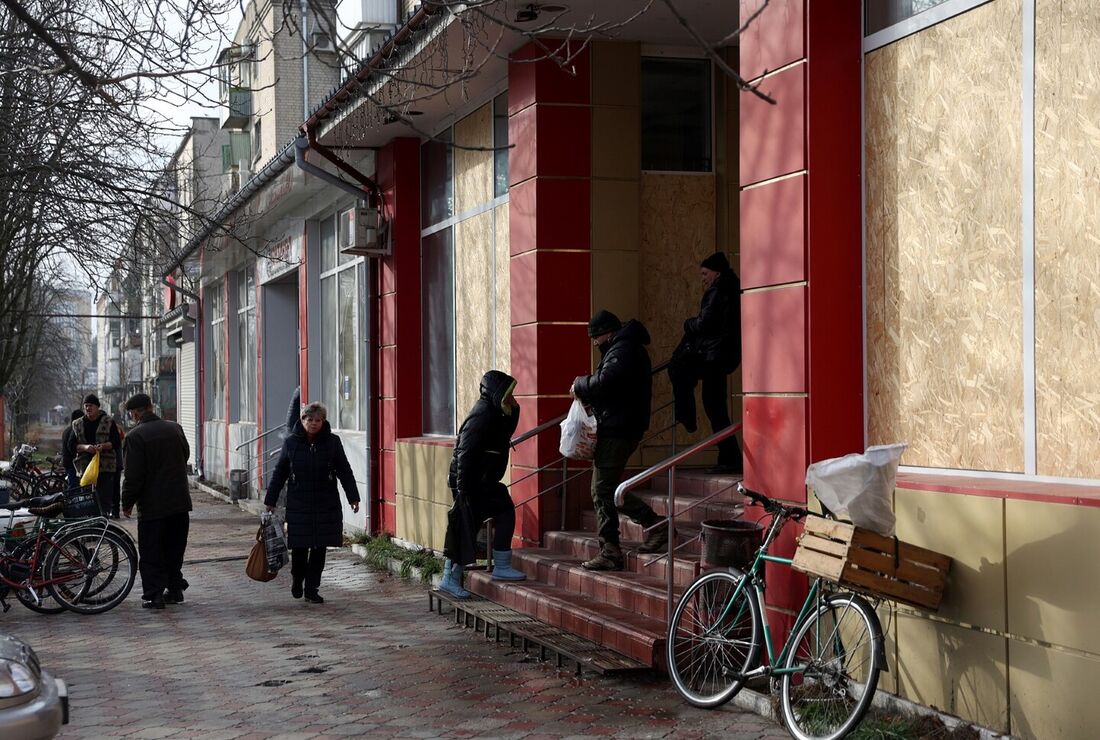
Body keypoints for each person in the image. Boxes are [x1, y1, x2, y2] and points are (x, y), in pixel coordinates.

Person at [570, 310, 668, 571]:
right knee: (605, 488)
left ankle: (621, 544)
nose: (594, 343)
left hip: (620, 428)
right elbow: (613, 387)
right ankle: (645, 531)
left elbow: (607, 381)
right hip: (618, 425)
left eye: (596, 337)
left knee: (603, 489)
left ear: (608, 332)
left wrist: (581, 384)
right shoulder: (622, 348)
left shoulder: (623, 349)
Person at [438, 370, 527, 599]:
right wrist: (463, 490)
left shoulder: (496, 413)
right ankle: (453, 577)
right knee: (470, 522)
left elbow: (506, 431)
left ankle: (496, 566)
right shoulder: (483, 415)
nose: (512, 399)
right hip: (468, 480)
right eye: (509, 394)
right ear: (498, 394)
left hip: (481, 479)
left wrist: (514, 409)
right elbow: (465, 453)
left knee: (491, 514)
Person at [265, 401, 360, 604]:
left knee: (319, 548)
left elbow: (344, 470)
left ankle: (312, 589)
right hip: (299, 503)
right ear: (303, 420)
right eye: (310, 419)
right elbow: (280, 472)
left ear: (323, 421)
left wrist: (353, 497)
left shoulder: (332, 442)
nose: (314, 423)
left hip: (326, 502)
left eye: (318, 420)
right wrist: (270, 500)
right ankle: (297, 579)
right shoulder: (291, 442)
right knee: (300, 547)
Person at [669, 251, 743, 474]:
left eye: (705, 273)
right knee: (714, 405)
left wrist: (688, 323)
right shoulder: (731, 288)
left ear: (716, 272)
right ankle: (728, 455)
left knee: (712, 403)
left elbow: (704, 323)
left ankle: (688, 417)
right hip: (720, 355)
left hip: (713, 356)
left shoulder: (718, 291)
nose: (703, 278)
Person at [120, 393, 192, 610]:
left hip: (153, 507)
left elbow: (134, 475)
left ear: (134, 414)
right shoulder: (175, 428)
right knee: (174, 549)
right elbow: (185, 455)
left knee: (152, 552)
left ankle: (154, 596)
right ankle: (175, 590)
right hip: (179, 503)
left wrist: (127, 502)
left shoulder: (135, 437)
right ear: (151, 407)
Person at [66, 393, 122, 517]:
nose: (88, 408)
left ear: (97, 407)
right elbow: (70, 445)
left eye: (90, 406)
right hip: (85, 468)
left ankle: (104, 521)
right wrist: (85, 447)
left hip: (105, 467)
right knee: (87, 499)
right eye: (86, 406)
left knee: (104, 498)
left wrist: (103, 446)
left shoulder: (108, 422)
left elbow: (117, 442)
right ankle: (90, 526)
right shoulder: (77, 424)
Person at [59, 409, 83, 490]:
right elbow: (71, 447)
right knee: (74, 486)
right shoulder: (74, 430)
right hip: (72, 462)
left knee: (73, 483)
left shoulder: (67, 430)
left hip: (67, 461)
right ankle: (71, 501)